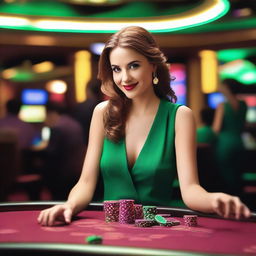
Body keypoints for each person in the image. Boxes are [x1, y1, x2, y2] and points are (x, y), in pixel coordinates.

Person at [38, 26, 251, 226]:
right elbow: (85, 182)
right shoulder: (102, 112)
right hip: (110, 231)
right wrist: (69, 205)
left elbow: (191, 190)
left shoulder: (179, 116)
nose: (125, 78)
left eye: (134, 65)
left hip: (158, 231)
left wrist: (214, 200)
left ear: (153, 66)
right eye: (116, 69)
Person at [39, 101, 84, 200]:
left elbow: (52, 152)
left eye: (46, 115)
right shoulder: (74, 123)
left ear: (52, 113)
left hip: (63, 174)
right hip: (77, 171)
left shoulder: (58, 126)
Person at [212, 79, 247, 197]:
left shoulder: (222, 106)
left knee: (226, 177)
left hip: (224, 144)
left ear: (227, 88)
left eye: (222, 85)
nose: (220, 88)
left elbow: (216, 129)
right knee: (238, 175)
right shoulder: (243, 104)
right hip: (239, 142)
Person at [72, 79, 104, 147]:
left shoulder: (80, 107)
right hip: (103, 143)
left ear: (88, 91)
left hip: (84, 143)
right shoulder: (107, 106)